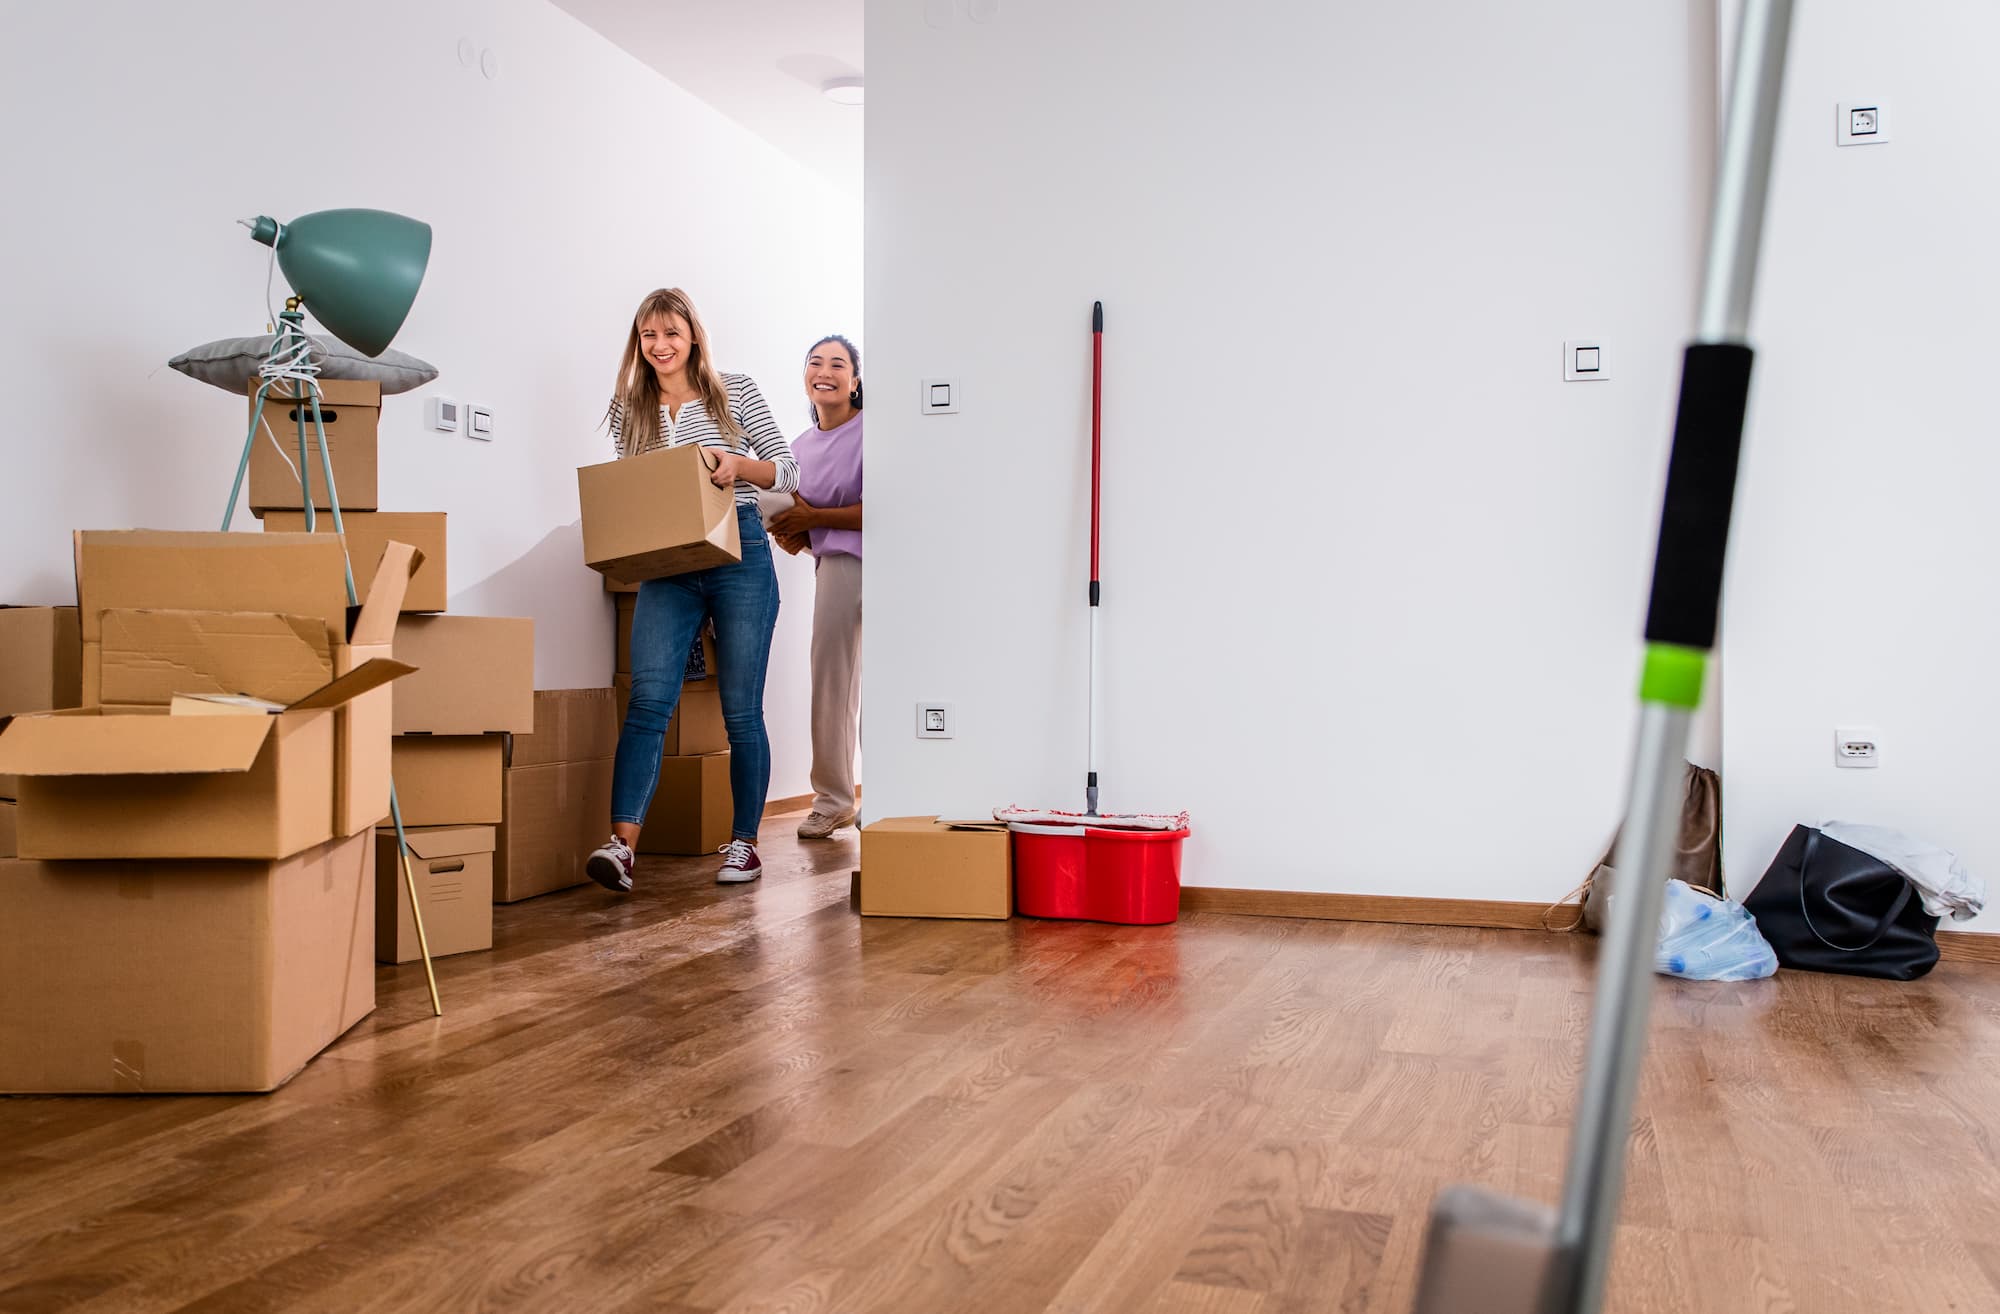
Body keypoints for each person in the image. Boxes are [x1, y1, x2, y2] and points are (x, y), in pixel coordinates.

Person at [586, 288, 798, 891]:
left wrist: (736, 464)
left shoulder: (733, 390)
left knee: (741, 711)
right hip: (669, 564)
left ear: (693, 336)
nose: (660, 346)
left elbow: (787, 471)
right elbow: (636, 489)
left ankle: (744, 844)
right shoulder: (631, 408)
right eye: (648, 336)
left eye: (671, 334)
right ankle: (621, 848)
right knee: (649, 702)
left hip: (742, 551)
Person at [770, 336, 864, 839]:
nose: (824, 371)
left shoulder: (876, 429)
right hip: (836, 567)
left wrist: (816, 518)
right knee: (830, 683)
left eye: (837, 363)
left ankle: (892, 793)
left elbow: (885, 505)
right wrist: (796, 535)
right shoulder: (798, 448)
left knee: (887, 685)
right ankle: (833, 801)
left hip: (892, 564)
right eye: (815, 363)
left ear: (855, 379)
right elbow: (801, 519)